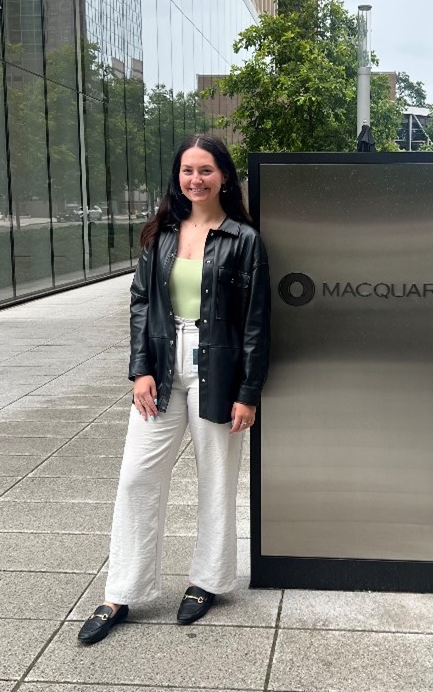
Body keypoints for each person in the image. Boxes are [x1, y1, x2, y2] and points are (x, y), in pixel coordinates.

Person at [78, 134, 270, 644]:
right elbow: (141, 303)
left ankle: (206, 582)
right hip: (163, 366)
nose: (195, 179)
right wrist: (140, 368)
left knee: (216, 480)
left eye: (205, 170)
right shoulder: (161, 234)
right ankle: (120, 592)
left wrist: (248, 391)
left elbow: (256, 322)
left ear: (224, 176)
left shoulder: (244, 240)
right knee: (137, 477)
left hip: (220, 368)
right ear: (177, 177)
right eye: (187, 170)